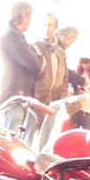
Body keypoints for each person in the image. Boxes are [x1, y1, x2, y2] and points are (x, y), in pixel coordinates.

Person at [0, 1, 43, 135]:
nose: (30, 22)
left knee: (14, 139)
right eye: (29, 18)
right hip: (13, 97)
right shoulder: (12, 36)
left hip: (17, 97)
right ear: (23, 16)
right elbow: (34, 64)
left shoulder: (16, 36)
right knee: (9, 140)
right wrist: (40, 62)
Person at [33, 23, 78, 150]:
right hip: (43, 97)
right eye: (72, 41)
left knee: (44, 133)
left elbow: (63, 75)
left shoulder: (59, 51)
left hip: (51, 98)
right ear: (68, 38)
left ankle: (39, 154)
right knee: (35, 131)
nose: (71, 45)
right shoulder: (50, 48)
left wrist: (62, 94)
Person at [28, 14, 65, 148]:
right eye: (44, 25)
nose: (46, 28)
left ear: (55, 28)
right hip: (37, 101)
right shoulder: (34, 47)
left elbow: (64, 76)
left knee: (44, 142)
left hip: (53, 102)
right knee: (27, 138)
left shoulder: (60, 52)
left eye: (50, 25)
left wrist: (61, 97)